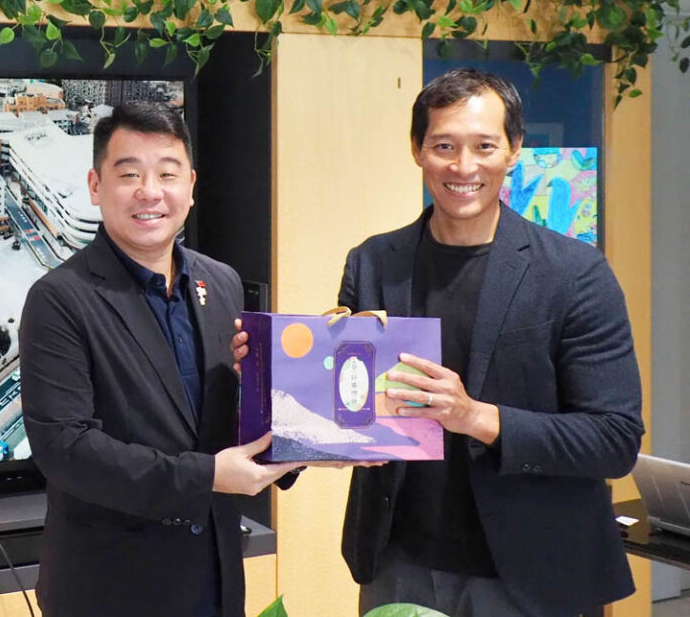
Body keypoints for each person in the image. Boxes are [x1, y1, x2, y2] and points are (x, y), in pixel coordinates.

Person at [231, 68, 644, 617]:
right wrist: (272, 381)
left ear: (514, 151)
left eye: (484, 146)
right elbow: (346, 407)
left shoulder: (575, 273)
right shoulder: (374, 262)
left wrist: (475, 417)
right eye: (444, 146)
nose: (463, 166)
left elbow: (614, 439)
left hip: (533, 572)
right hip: (398, 563)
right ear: (417, 151)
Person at [20, 101, 298, 617]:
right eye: (129, 174)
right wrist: (205, 477)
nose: (150, 192)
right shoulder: (59, 299)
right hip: (111, 589)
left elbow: (221, 425)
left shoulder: (221, 282)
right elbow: (65, 449)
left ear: (190, 186)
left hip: (214, 578)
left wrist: (297, 426)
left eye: (167, 174)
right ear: (95, 186)